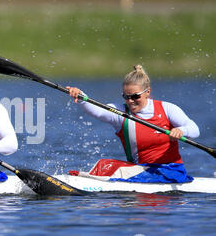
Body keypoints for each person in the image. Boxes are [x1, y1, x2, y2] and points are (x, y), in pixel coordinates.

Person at [66, 65, 199, 183]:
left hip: (169, 171)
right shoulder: (121, 113)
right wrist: (81, 96)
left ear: (148, 92)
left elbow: (194, 129)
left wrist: (181, 131)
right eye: (126, 96)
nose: (130, 101)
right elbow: (98, 111)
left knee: (118, 171)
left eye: (135, 96)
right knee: (104, 164)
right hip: (138, 169)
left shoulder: (167, 109)